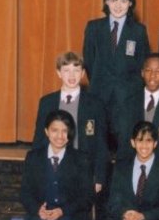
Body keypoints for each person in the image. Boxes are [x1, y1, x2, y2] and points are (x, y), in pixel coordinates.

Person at [33, 52, 108, 196]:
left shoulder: (95, 104)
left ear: (83, 73)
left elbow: (101, 144)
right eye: (66, 70)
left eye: (76, 70)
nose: (72, 75)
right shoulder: (47, 102)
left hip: (83, 171)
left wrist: (99, 177)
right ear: (58, 73)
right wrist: (37, 173)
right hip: (54, 169)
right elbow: (39, 140)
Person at [83, 0, 151, 129]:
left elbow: (143, 64)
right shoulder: (94, 28)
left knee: (125, 138)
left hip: (127, 99)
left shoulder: (139, 31)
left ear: (130, 3)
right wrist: (100, 82)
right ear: (106, 1)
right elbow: (89, 61)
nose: (118, 5)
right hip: (99, 95)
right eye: (114, 0)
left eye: (124, 0)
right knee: (99, 136)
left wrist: (131, 89)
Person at [114, 55, 159, 177]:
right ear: (142, 73)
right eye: (148, 70)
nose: (153, 75)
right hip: (134, 170)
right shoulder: (129, 103)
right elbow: (123, 143)